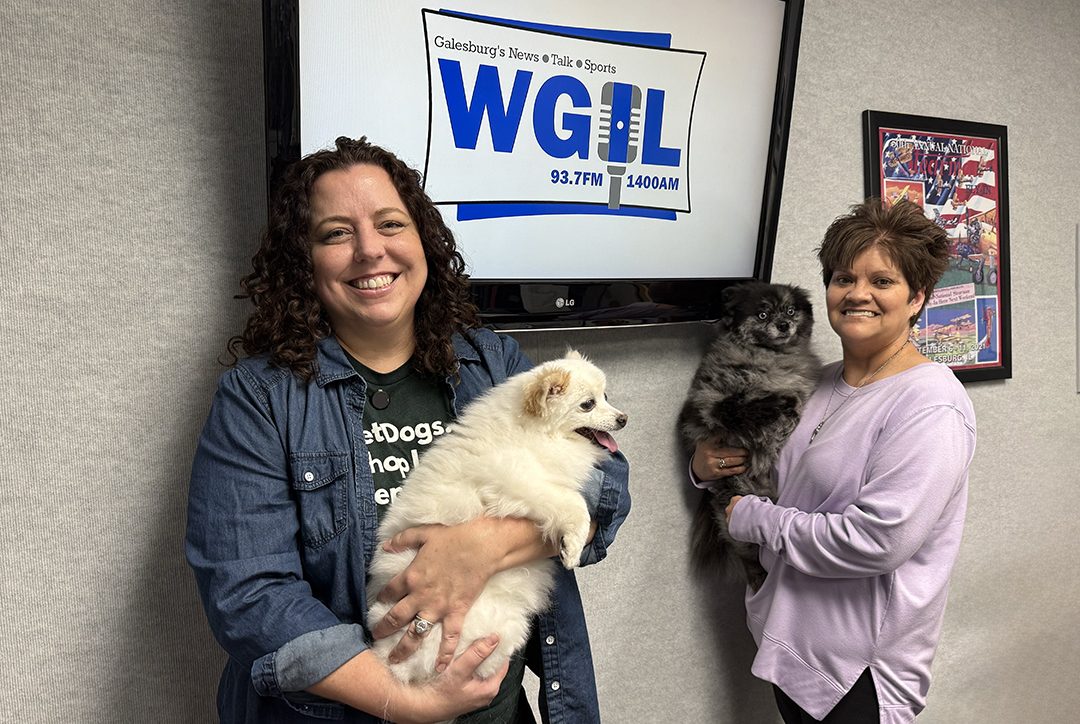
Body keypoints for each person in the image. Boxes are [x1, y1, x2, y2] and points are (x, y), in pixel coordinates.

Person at [185, 136, 631, 723]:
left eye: (390, 224)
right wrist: (405, 701)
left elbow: (607, 486)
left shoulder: (491, 363)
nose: (371, 251)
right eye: (336, 233)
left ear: (424, 240)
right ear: (304, 260)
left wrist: (482, 547)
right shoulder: (260, 399)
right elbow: (250, 595)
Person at [690, 199, 976, 723]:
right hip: (789, 646)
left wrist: (750, 517)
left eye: (881, 281)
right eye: (844, 278)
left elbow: (875, 542)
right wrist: (706, 468)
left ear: (917, 297)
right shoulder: (817, 384)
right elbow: (771, 477)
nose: (858, 294)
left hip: (859, 673)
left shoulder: (930, 403)